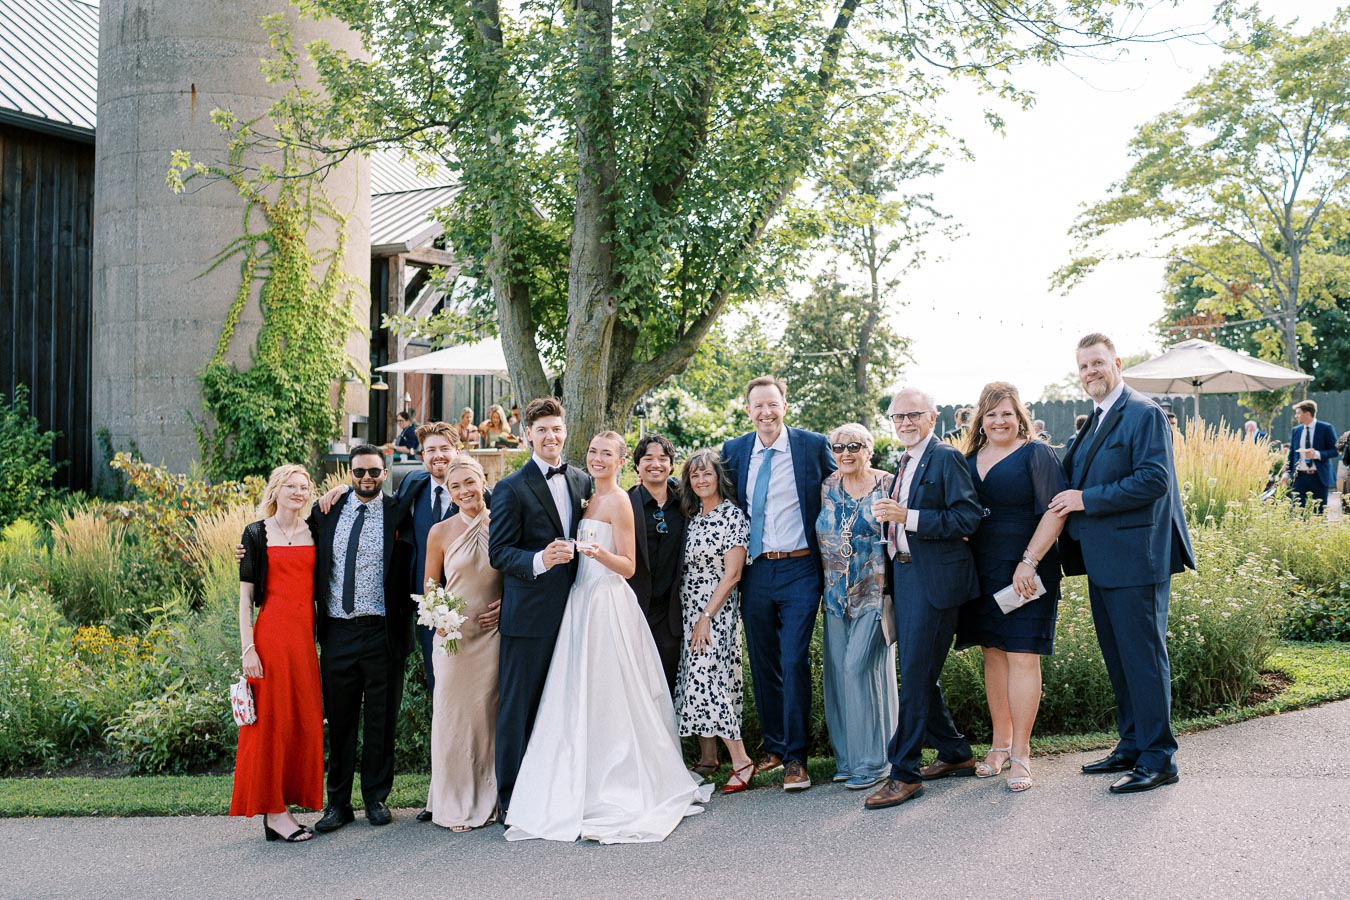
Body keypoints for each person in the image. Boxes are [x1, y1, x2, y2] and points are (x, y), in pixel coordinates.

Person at [504, 432, 711, 843]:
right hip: (580, 601)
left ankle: (617, 781)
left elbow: (630, 566)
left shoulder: (618, 501)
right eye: (594, 452)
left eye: (607, 454)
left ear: (621, 462)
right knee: (576, 694)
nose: (598, 459)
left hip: (607, 602)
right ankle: (574, 777)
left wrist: (598, 554)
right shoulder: (586, 495)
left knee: (611, 695)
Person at [1050, 333, 1194, 795]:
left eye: (1097, 363)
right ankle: (1131, 745)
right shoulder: (1095, 420)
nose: (1090, 372)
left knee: (1145, 661)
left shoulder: (1143, 413)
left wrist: (1085, 499)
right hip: (1104, 562)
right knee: (1120, 660)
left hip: (1138, 560)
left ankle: (1159, 758)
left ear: (1116, 362)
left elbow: (1153, 480)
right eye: (1083, 367)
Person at [865, 387, 982, 811]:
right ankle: (955, 752)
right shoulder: (904, 461)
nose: (905, 423)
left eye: (913, 415)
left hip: (936, 583)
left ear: (933, 418)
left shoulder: (946, 457)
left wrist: (906, 518)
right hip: (907, 576)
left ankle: (904, 773)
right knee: (918, 673)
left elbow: (967, 517)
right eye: (898, 418)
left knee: (913, 676)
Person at [721, 375, 836, 791]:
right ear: (747, 410)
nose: (766, 412)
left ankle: (796, 758)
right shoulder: (733, 452)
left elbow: (843, 481)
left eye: (773, 404)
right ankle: (773, 745)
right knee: (762, 660)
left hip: (801, 568)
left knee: (793, 660)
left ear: (785, 406)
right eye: (758, 406)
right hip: (755, 571)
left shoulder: (811, 445)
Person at [956, 383, 1067, 793]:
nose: (999, 421)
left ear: (1019, 415)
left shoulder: (1036, 454)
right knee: (993, 654)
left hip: (1025, 568)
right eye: (990, 414)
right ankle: (998, 745)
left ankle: (1021, 752)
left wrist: (1029, 561)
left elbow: (1055, 512)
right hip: (981, 570)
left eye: (1006, 413)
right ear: (979, 420)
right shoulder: (968, 459)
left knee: (1022, 654)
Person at [487, 397, 592, 816]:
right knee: (519, 707)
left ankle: (561, 789)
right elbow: (499, 553)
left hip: (578, 611)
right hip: (529, 617)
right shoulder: (510, 488)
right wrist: (539, 560)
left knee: (565, 705)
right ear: (528, 434)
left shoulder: (582, 482)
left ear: (565, 432)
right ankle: (511, 799)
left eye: (556, 429)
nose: (551, 436)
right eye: (542, 430)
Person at [312, 445, 415, 831]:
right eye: (358, 472)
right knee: (339, 721)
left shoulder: (399, 511)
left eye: (373, 472)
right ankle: (337, 804)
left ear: (385, 473)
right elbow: (286, 539)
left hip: (382, 632)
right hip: (338, 631)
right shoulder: (327, 512)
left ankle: (376, 797)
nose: (366, 479)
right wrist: (248, 549)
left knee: (380, 719)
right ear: (349, 473)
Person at [230, 464, 324, 842]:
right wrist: (247, 647)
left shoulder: (316, 531)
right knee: (269, 724)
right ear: (277, 489)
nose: (299, 493)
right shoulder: (255, 533)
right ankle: (274, 812)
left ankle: (286, 803)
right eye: (292, 486)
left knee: (300, 721)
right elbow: (245, 600)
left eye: (305, 487)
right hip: (268, 640)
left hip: (303, 642)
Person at [815, 424, 898, 792]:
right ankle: (848, 759)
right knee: (836, 673)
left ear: (869, 449)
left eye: (854, 446)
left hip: (874, 591)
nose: (845, 453)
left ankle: (876, 761)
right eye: (838, 447)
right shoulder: (829, 486)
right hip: (834, 594)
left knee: (859, 668)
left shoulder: (887, 483)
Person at [422, 456, 503, 831]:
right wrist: (439, 618)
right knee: (453, 719)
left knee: (488, 717)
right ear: (449, 492)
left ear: (483, 480)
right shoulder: (440, 531)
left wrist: (509, 605)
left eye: (470, 482)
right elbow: (430, 585)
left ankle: (492, 798)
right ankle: (454, 801)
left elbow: (517, 572)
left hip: (493, 636)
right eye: (455, 486)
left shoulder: (503, 521)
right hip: (454, 640)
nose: (464, 491)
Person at [674, 449, 754, 791]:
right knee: (696, 676)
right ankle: (709, 757)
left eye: (707, 474)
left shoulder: (732, 516)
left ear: (718, 477)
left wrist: (706, 616)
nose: (701, 480)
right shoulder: (692, 517)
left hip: (715, 610)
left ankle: (742, 760)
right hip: (688, 608)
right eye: (694, 475)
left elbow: (733, 574)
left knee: (710, 677)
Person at [627, 433, 687, 694]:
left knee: (667, 679)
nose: (656, 464)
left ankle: (668, 735)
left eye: (663, 458)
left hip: (671, 610)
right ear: (637, 465)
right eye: (648, 458)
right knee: (634, 681)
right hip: (634, 606)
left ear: (671, 465)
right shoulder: (626, 503)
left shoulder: (686, 502)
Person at [1286, 400, 1338, 509]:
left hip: (1319, 477)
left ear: (1308, 414)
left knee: (1319, 510)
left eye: (1298, 413)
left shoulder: (1326, 428)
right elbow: (1291, 454)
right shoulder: (1296, 431)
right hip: (1299, 477)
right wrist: (1286, 473)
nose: (1296, 416)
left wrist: (1317, 454)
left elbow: (1335, 450)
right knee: (1297, 510)